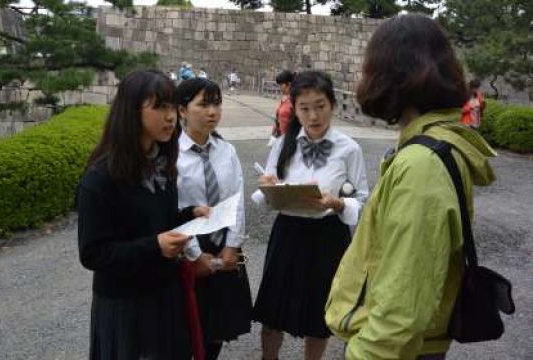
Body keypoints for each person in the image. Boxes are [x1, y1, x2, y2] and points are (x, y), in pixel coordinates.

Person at [325, 14, 497, 360]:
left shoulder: (421, 164)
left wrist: (362, 353)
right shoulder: (436, 147)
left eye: (368, 68)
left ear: (391, 75)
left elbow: (402, 306)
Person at [77, 69, 211, 360]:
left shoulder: (162, 165)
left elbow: (156, 222)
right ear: (131, 111)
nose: (170, 117)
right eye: (159, 107)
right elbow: (93, 253)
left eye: (173, 107)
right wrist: (155, 246)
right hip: (125, 305)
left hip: (165, 295)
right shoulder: (100, 178)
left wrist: (190, 214)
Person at [251, 71, 370, 360]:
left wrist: (338, 204)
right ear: (295, 108)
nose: (313, 115)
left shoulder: (349, 148)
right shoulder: (283, 143)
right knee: (273, 310)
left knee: (319, 314)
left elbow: (361, 197)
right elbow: (269, 189)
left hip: (327, 237)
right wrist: (268, 188)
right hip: (288, 233)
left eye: (320, 106)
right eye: (304, 108)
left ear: (333, 105)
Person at [176, 78, 252, 360]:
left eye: (217, 103)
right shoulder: (172, 156)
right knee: (185, 327)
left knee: (217, 328)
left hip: (224, 245)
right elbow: (172, 210)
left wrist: (232, 246)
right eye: (203, 104)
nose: (212, 112)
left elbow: (237, 200)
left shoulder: (227, 151)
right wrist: (195, 256)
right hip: (188, 247)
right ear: (182, 110)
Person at [268, 70, 294, 147]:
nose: (279, 88)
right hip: (280, 139)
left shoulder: (296, 101)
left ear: (288, 84)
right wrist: (273, 135)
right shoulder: (284, 99)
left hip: (290, 140)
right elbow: (278, 119)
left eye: (281, 85)